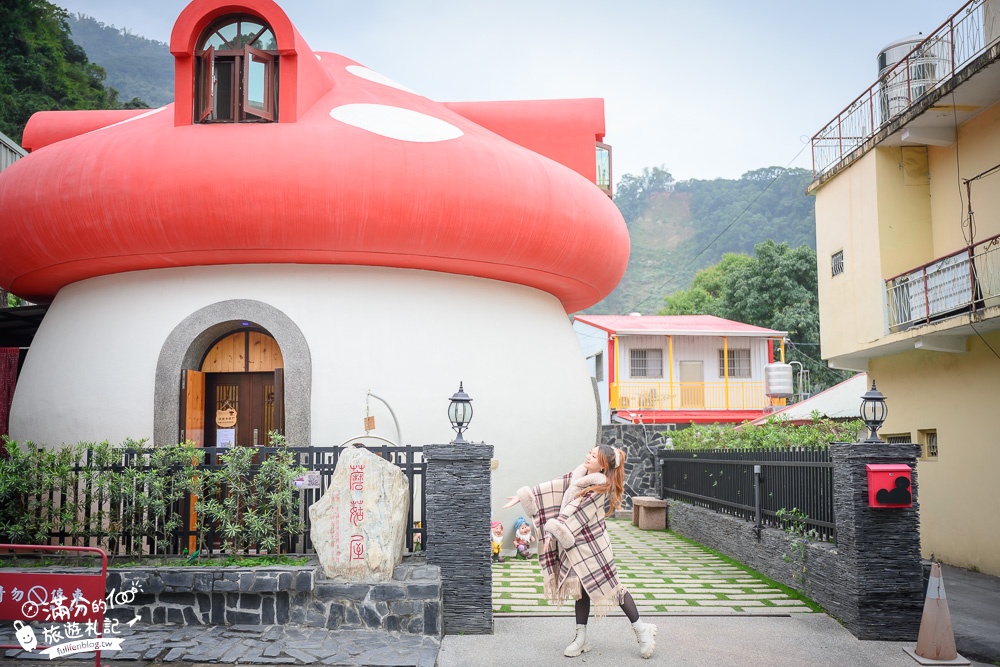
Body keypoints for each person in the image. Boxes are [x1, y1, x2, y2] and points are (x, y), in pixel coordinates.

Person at [503, 445, 657, 659]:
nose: (588, 456)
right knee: (580, 589)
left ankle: (642, 629)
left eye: (594, 456)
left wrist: (553, 532)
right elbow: (555, 486)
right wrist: (526, 496)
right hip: (574, 545)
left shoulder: (599, 487)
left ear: (603, 465)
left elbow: (574, 513)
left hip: (593, 546)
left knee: (613, 588)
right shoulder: (579, 474)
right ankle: (581, 637)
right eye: (590, 452)